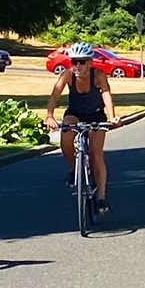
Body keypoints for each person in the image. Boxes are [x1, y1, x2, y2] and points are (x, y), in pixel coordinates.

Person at [46, 42, 120, 213]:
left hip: (95, 114)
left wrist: (112, 116)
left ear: (90, 62)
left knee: (96, 153)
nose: (77, 66)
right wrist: (50, 115)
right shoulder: (67, 75)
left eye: (81, 62)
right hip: (75, 113)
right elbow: (55, 94)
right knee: (65, 141)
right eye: (74, 62)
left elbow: (106, 94)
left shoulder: (98, 75)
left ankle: (101, 199)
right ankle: (76, 170)